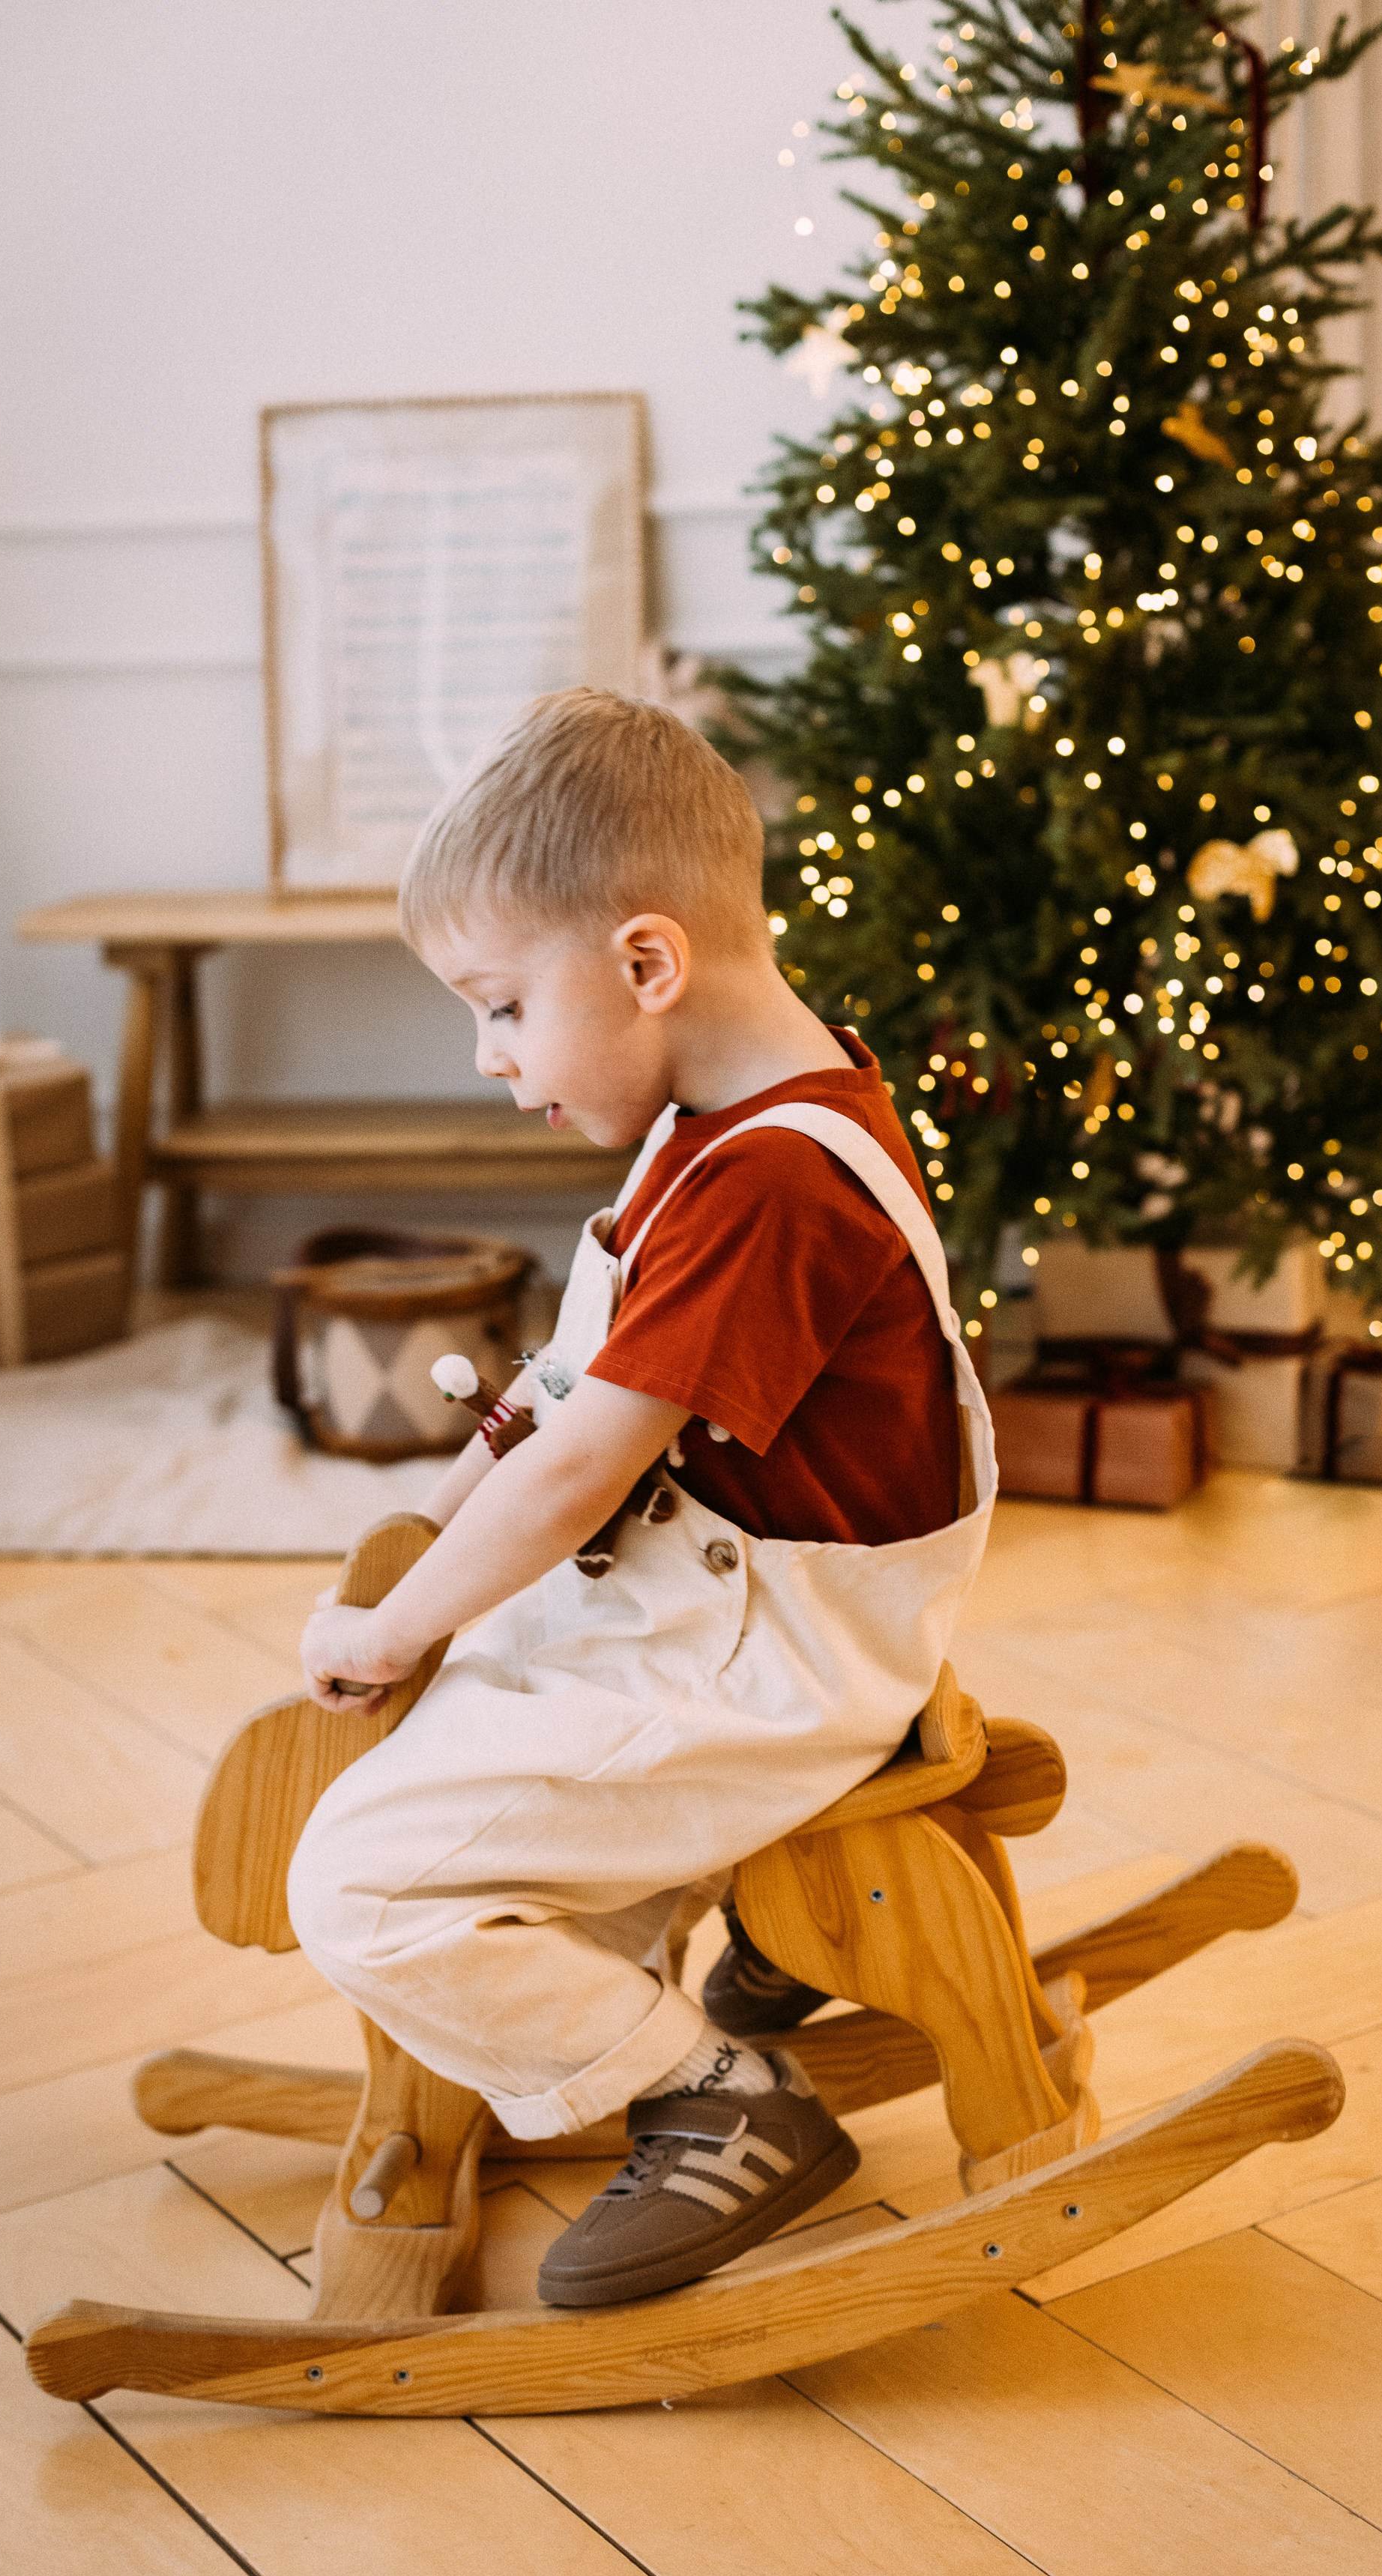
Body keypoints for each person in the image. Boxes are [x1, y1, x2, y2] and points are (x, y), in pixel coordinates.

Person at [288, 688, 995, 2307]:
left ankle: (725, 2105)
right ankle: (675, 1978)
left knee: (356, 1881)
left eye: (501, 1006)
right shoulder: (716, 1122)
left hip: (769, 1660)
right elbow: (558, 1394)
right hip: (700, 1608)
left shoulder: (771, 1177)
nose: (491, 1058)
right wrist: (443, 1530)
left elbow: (585, 1467)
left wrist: (400, 1623)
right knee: (464, 1728)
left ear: (647, 962)